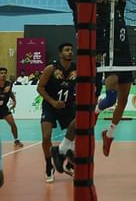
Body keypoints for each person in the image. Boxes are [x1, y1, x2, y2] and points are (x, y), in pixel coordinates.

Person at [94, 0, 136, 157]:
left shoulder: (120, 9)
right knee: (111, 99)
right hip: (111, 58)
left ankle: (109, 135)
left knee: (123, 102)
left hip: (125, 58)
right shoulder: (102, 9)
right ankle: (96, 111)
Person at [37, 43, 77, 183]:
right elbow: (40, 88)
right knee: (46, 136)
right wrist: (53, 102)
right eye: (67, 50)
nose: (70, 52)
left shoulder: (76, 69)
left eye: (71, 50)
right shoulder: (51, 68)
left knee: (78, 135)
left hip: (68, 107)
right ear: (60, 54)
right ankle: (49, 165)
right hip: (50, 106)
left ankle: (70, 164)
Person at [0, 67, 23, 147]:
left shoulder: (9, 84)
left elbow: (10, 93)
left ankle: (16, 140)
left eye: (4, 73)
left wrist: (14, 101)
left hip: (3, 109)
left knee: (13, 124)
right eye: (1, 73)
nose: (3, 75)